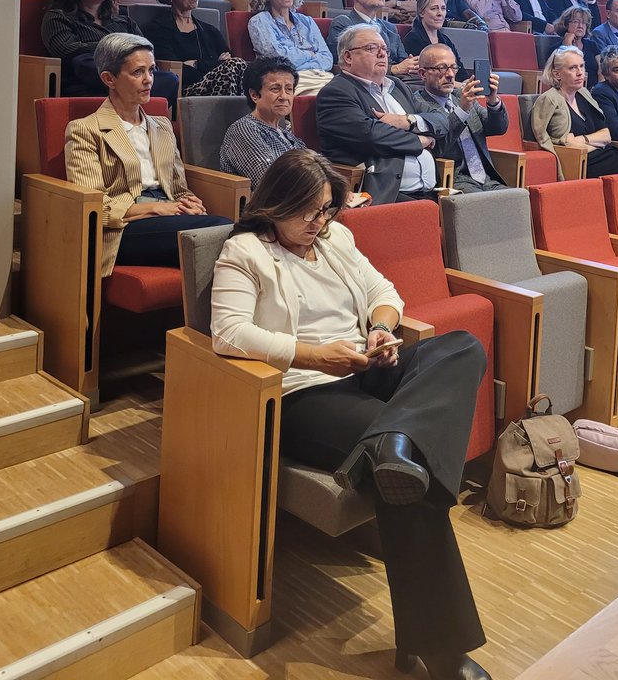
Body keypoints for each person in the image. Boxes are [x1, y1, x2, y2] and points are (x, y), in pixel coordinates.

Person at [210, 149, 490, 680]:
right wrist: (317, 354)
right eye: (307, 212)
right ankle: (440, 649)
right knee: (410, 475)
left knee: (460, 347)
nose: (318, 223)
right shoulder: (245, 251)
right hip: (303, 391)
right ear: (275, 203)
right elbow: (229, 334)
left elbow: (383, 292)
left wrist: (382, 328)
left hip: (363, 365)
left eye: (326, 211)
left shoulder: (336, 238)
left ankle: (395, 442)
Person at [65, 33, 228, 277]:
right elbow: (95, 204)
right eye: (138, 72)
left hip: (169, 215)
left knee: (228, 236)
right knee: (223, 230)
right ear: (109, 78)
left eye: (152, 70)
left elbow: (179, 187)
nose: (149, 80)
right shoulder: (85, 129)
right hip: (125, 227)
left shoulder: (162, 126)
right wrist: (155, 209)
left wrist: (190, 203)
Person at [316, 25, 448, 204]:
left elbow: (440, 118)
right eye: (372, 48)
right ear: (348, 57)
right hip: (386, 193)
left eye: (384, 49)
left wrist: (408, 121)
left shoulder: (397, 86)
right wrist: (419, 141)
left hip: (432, 191)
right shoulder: (336, 92)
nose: (382, 54)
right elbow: (370, 134)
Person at [42, 0, 176, 105]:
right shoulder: (58, 16)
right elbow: (66, 50)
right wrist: (115, 47)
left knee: (169, 79)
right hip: (87, 81)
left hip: (127, 75)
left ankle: (129, 87)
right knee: (84, 62)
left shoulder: (123, 21)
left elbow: (144, 49)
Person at [531, 45, 618, 179]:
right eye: (573, 68)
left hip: (607, 154)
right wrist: (589, 141)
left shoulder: (583, 94)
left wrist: (582, 139)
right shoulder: (550, 99)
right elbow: (555, 141)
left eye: (581, 66)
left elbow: (606, 135)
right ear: (557, 74)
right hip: (583, 163)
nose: (580, 72)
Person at [146, 0, 248, 96]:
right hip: (186, 91)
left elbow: (230, 64)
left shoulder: (210, 31)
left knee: (241, 67)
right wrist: (216, 63)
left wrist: (196, 64)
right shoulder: (158, 30)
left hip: (224, 86)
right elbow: (176, 73)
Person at [415, 44, 506, 192]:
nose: (450, 74)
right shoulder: (418, 104)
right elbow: (439, 146)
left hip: (487, 178)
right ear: (423, 74)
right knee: (491, 205)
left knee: (521, 200)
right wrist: (462, 110)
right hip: (453, 180)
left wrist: (493, 100)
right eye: (442, 68)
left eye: (453, 67)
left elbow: (497, 128)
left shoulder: (460, 96)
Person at [246, 0, 334, 95]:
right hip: (288, 82)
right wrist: (310, 54)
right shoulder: (260, 21)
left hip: (322, 76)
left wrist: (299, 63)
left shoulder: (307, 21)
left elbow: (327, 59)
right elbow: (277, 59)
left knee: (349, 93)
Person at [219, 55, 305, 185]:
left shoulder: (287, 134)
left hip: (305, 199)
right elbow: (272, 182)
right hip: (273, 204)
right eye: (275, 89)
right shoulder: (244, 130)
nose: (284, 96)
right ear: (254, 95)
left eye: (289, 89)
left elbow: (313, 169)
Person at [327, 0, 420, 79]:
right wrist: (394, 69)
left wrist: (410, 64)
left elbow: (403, 60)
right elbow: (342, 65)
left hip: (398, 81)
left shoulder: (390, 28)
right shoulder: (343, 23)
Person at [402, 0, 470, 81]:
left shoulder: (446, 40)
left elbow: (461, 74)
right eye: (434, 8)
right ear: (421, 12)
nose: (440, 13)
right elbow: (427, 78)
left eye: (443, 8)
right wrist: (460, 86)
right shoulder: (413, 39)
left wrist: (468, 83)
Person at [544, 5, 600, 87]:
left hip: (593, 91)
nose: (580, 26)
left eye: (584, 23)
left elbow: (601, 70)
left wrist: (600, 88)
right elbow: (565, 71)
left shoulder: (592, 45)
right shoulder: (556, 50)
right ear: (566, 24)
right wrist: (568, 46)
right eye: (576, 22)